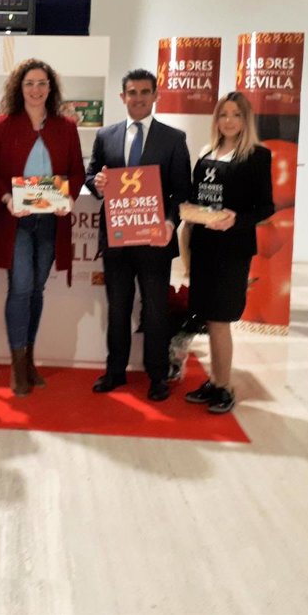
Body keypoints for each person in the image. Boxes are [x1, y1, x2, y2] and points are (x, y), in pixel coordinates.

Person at [85, 68, 192, 401]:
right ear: (123, 97)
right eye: (132, 92)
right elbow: (91, 175)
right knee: (117, 308)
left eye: (145, 92)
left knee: (156, 311)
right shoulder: (106, 135)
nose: (139, 98)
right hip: (116, 239)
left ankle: (157, 376)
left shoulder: (174, 139)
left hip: (154, 240)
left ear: (156, 95)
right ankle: (115, 372)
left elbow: (182, 191)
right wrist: (97, 183)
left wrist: (170, 223)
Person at [0, 59, 85, 396]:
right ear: (19, 88)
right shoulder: (2, 125)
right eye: (29, 83)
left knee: (37, 290)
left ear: (50, 88)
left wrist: (69, 197)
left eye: (42, 83)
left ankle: (28, 360)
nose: (36, 89)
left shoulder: (66, 127)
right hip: (16, 222)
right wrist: (7, 198)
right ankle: (17, 365)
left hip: (51, 221)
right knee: (21, 287)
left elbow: (78, 172)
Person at [184, 91, 274, 414]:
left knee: (221, 319)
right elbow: (196, 196)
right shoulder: (207, 152)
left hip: (232, 249)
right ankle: (215, 381)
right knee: (210, 318)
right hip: (203, 246)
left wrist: (237, 220)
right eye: (223, 114)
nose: (229, 121)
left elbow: (265, 207)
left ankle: (224, 387)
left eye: (236, 115)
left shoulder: (257, 156)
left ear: (246, 119)